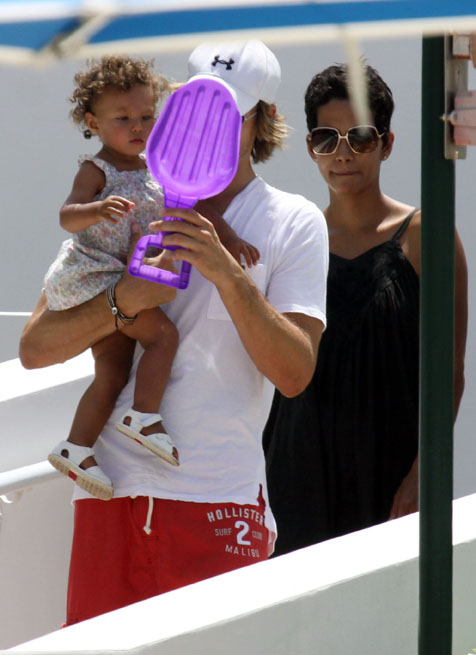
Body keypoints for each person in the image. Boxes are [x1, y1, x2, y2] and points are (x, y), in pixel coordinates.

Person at [19, 40, 328, 624]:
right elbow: (35, 349)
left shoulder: (295, 220)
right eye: (192, 106)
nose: (206, 123)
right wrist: (123, 300)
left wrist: (224, 269)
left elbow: (294, 374)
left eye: (227, 111)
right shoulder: (131, 197)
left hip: (216, 500)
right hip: (108, 492)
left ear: (262, 118)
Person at [263, 63, 468, 556]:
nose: (343, 154)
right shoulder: (289, 236)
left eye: (359, 136)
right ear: (311, 146)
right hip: (293, 470)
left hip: (390, 471)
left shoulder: (427, 235)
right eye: (325, 138)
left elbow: (451, 372)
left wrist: (424, 473)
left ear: (387, 143)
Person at [44, 56, 259, 501]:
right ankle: (143, 415)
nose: (137, 126)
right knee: (162, 335)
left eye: (146, 116)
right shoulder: (97, 170)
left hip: (119, 278)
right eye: (122, 118)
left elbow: (196, 208)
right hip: (93, 276)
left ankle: (77, 446)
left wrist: (232, 238)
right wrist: (96, 209)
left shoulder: (158, 167)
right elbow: (66, 217)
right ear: (93, 122)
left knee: (113, 369)